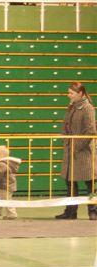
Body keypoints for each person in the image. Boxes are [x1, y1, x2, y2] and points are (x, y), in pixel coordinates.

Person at [55, 82, 97, 220]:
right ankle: (71, 211)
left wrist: (77, 145)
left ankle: (93, 210)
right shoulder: (71, 107)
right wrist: (66, 139)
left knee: (90, 183)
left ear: (80, 94)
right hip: (70, 151)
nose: (69, 95)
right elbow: (66, 125)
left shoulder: (88, 108)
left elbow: (91, 131)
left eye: (71, 93)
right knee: (70, 182)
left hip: (83, 152)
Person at [0, 145, 20, 220]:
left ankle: (12, 214)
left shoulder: (1, 164)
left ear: (1, 156)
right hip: (8, 185)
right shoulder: (7, 163)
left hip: (5, 186)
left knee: (7, 200)